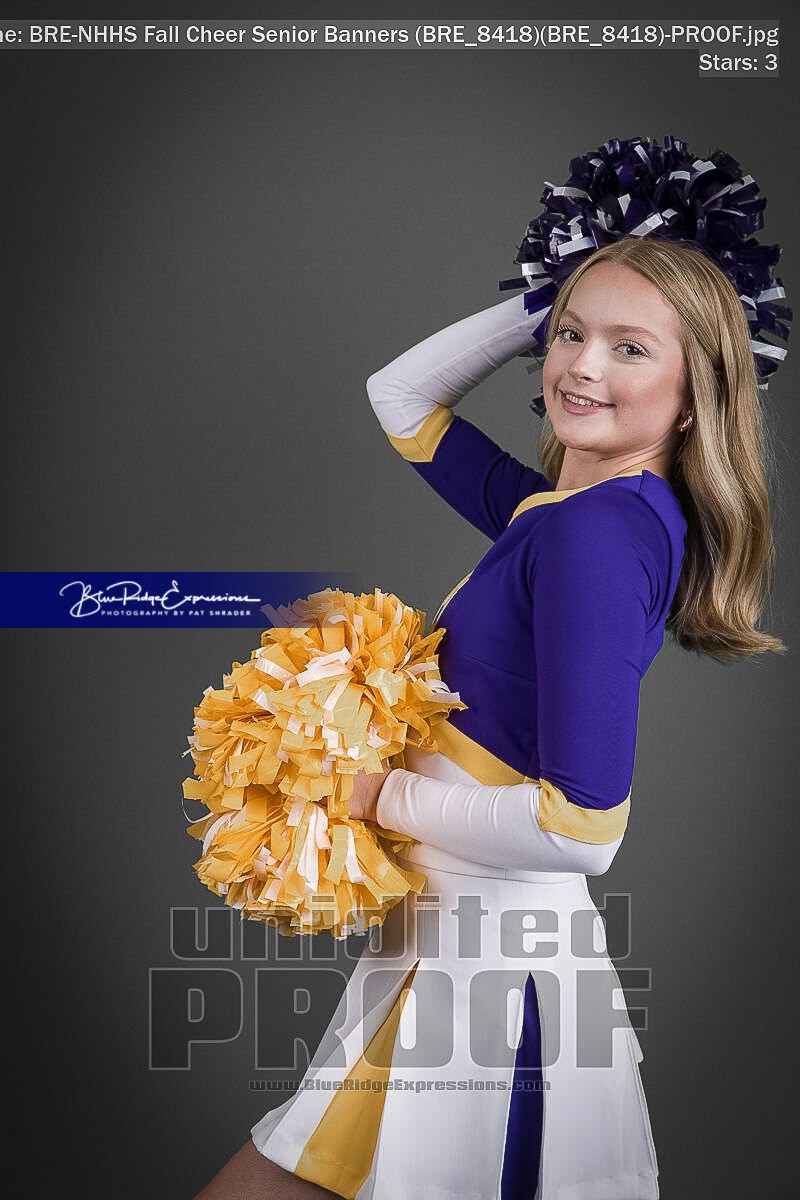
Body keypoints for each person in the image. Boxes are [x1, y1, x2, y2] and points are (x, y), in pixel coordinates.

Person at [194, 234, 783, 1200]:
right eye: (570, 334)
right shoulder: (561, 512)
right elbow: (400, 397)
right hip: (447, 953)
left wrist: (377, 795)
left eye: (631, 348)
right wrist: (545, 296)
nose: (582, 366)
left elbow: (583, 829)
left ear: (694, 396)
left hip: (492, 980)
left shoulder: (597, 534)